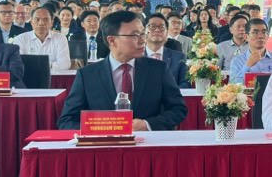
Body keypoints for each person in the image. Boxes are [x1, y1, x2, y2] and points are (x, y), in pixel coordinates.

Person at [57, 11, 187, 131]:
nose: (142, 40)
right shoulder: (87, 75)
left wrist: (147, 125)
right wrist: (103, 128)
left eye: (143, 34)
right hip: (105, 145)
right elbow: (67, 121)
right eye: (135, 35)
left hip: (149, 144)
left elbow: (178, 109)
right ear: (112, 40)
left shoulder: (158, 69)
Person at [13, 7, 72, 74]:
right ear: (31, 22)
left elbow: (65, 65)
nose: (41, 23)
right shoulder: (20, 39)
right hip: (28, 78)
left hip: (54, 78)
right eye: (37, 19)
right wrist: (50, 65)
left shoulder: (60, 38)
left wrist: (35, 64)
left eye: (46, 19)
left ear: (52, 22)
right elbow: (20, 64)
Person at [228, 17, 272, 83]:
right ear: (246, 37)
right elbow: (233, 84)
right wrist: (247, 65)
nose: (260, 36)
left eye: (264, 32)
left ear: (267, 36)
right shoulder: (237, 61)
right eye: (255, 32)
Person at [143, 13, 189, 87]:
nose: (157, 30)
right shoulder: (134, 57)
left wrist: (170, 92)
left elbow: (185, 83)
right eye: (152, 26)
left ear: (167, 32)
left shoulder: (179, 57)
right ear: (143, 31)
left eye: (161, 27)